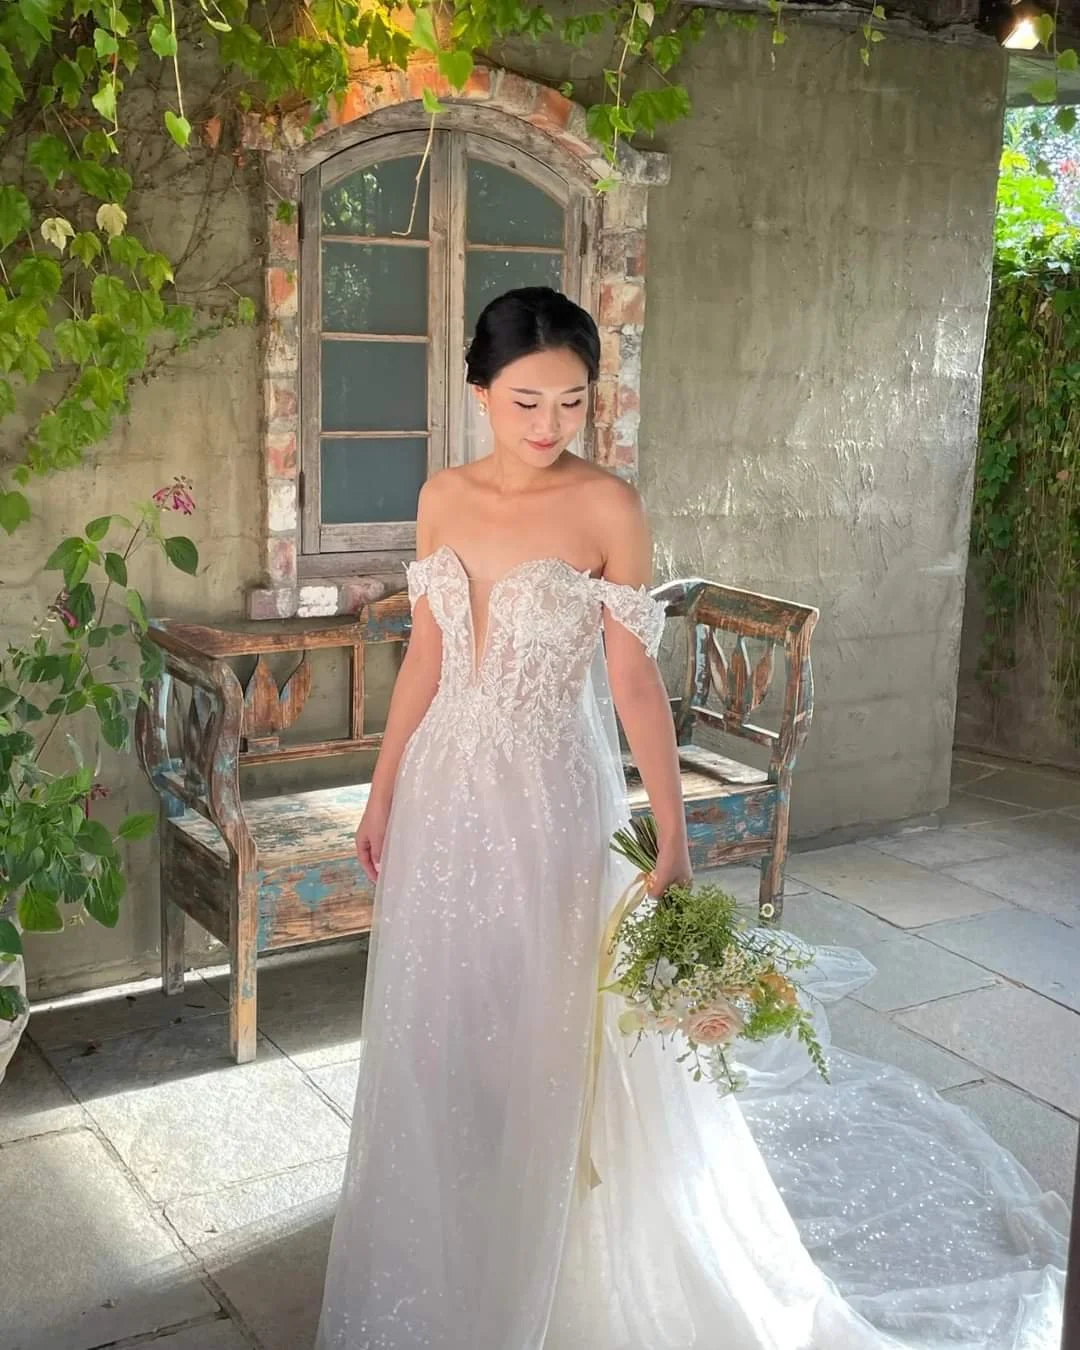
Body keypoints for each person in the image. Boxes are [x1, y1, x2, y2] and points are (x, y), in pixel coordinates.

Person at [315, 288, 1066, 1350]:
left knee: (555, 1008)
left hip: (551, 790)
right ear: (479, 390)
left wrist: (671, 835)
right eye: (525, 401)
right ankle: (463, 1216)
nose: (546, 425)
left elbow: (632, 685)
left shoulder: (607, 508)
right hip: (447, 786)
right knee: (451, 1003)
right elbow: (428, 658)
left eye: (570, 403)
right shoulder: (441, 497)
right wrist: (383, 790)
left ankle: (559, 1235)